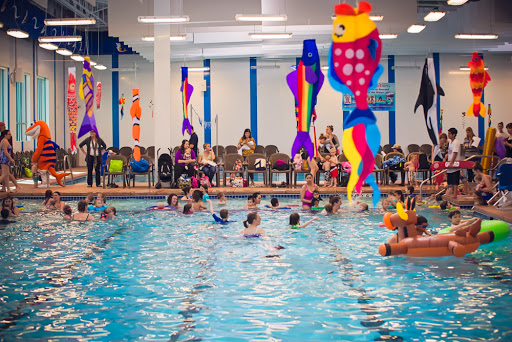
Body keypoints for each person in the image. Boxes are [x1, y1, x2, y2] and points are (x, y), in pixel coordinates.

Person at [446, 128, 461, 199]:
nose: (448, 135)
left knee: (455, 179)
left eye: (449, 133)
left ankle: (455, 193)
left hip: (454, 163)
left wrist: (452, 162)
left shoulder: (456, 142)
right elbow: (450, 152)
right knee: (451, 178)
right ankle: (452, 192)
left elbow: (455, 153)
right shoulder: (450, 142)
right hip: (450, 162)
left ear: (454, 134)